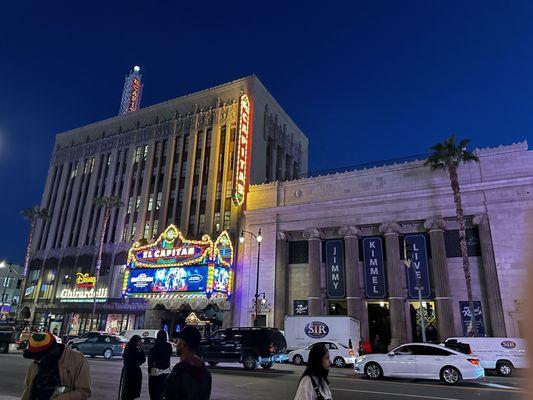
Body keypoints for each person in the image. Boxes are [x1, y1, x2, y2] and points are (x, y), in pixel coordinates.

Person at [21, 331, 91, 399]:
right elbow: (28, 389)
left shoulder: (77, 360)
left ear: (53, 352)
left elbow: (83, 391)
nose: (37, 360)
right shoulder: (36, 363)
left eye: (40, 357)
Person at [162, 326, 211, 400]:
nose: (176, 344)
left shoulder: (178, 373)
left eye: (178, 341)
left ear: (183, 344)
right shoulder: (206, 374)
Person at [148, 330, 173, 400]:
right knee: (164, 394)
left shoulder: (155, 347)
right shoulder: (168, 346)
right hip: (166, 372)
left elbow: (151, 360)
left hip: (155, 373)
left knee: (154, 394)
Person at [120, 335, 146, 400]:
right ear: (136, 342)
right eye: (139, 341)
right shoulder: (134, 350)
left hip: (129, 372)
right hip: (133, 373)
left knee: (128, 392)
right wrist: (141, 350)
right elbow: (142, 359)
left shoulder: (130, 348)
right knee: (130, 392)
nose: (141, 343)